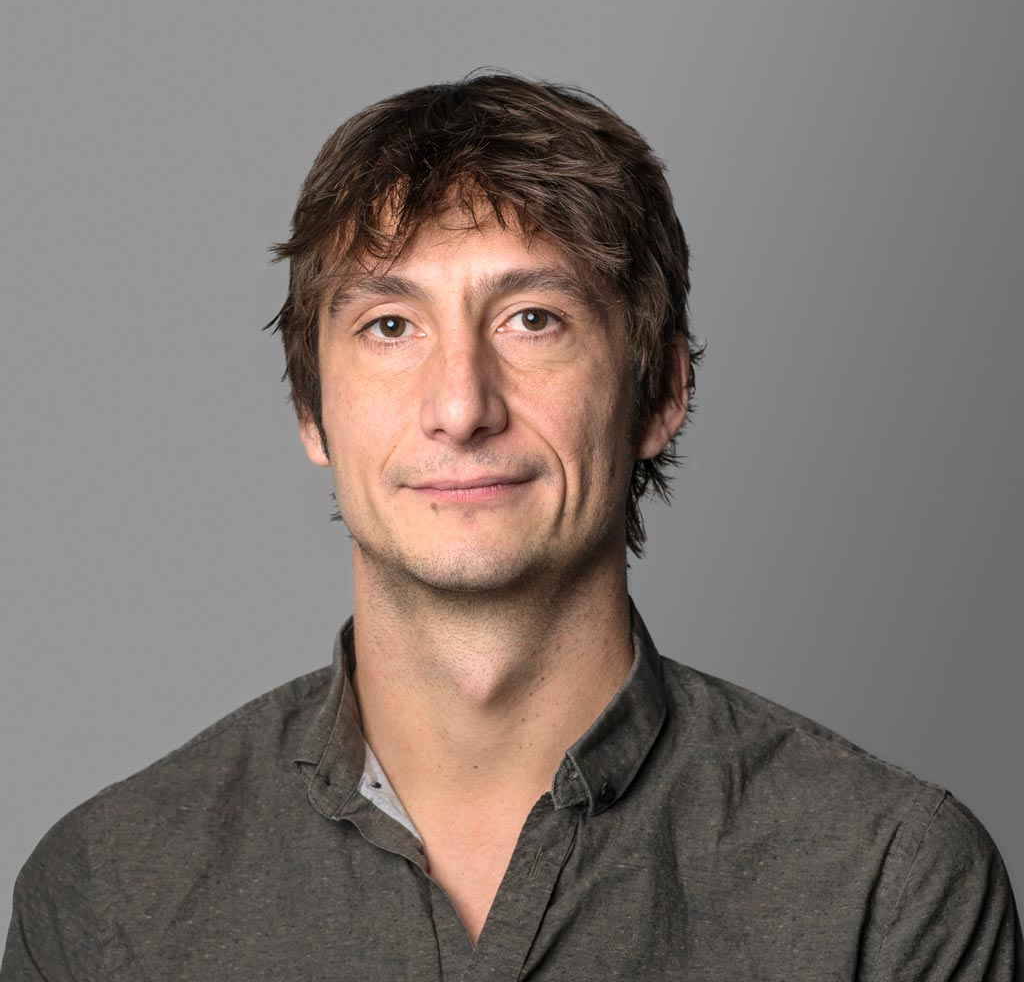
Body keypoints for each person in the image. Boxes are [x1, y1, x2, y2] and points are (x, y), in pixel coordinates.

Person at [2, 72, 1020, 981]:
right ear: (311, 410)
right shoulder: (107, 896)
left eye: (532, 319)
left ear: (661, 392)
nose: (460, 405)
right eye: (389, 326)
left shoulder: (889, 884)